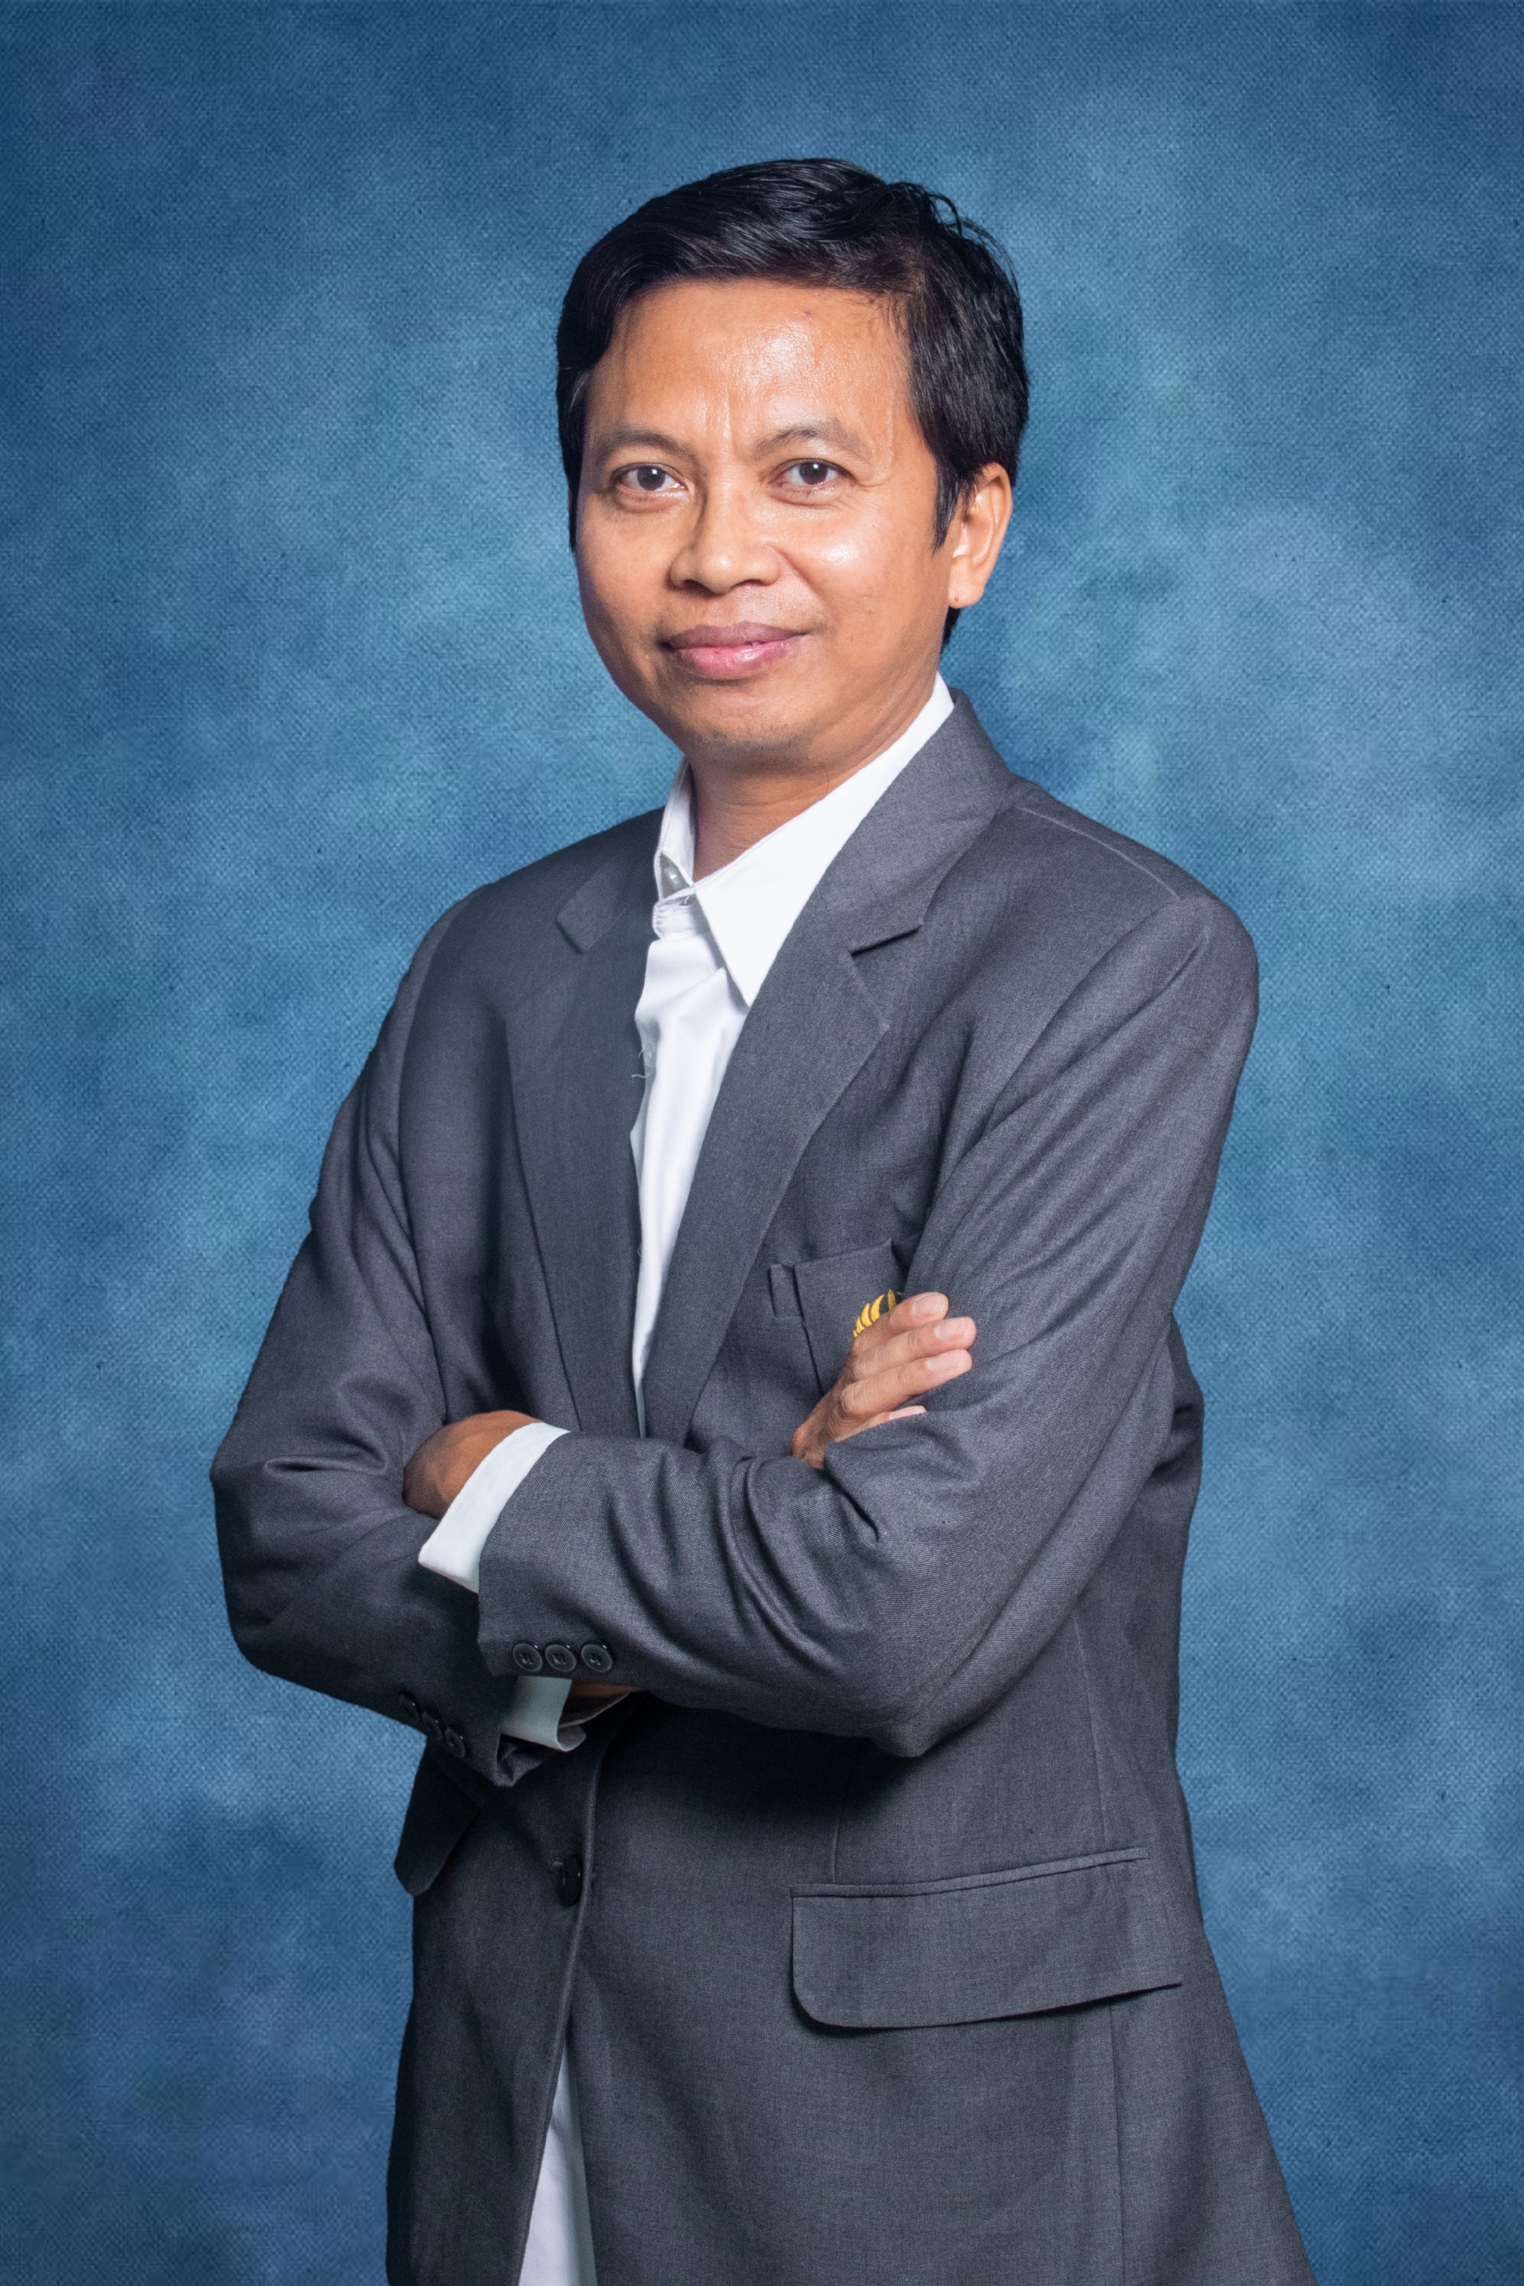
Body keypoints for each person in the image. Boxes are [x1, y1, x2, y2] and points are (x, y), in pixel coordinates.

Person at [213, 159, 1315, 2286]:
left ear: (969, 522)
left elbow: (893, 1618)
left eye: (810, 472)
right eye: (644, 476)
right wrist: (607, 1653)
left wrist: (487, 1468)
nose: (718, 551)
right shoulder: (488, 962)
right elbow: (283, 1522)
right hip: (514, 2105)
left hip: (932, 2141)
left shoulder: (1115, 958)